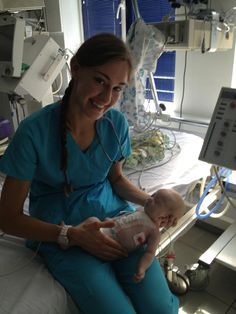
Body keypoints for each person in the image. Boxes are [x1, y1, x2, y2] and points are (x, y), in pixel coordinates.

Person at [0, 33, 180, 314]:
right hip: (62, 235)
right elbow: (7, 218)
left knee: (161, 308)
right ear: (76, 68)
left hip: (119, 222)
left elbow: (117, 179)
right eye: (100, 81)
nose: (107, 99)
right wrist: (71, 234)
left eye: (118, 88)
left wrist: (153, 204)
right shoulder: (34, 133)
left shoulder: (115, 125)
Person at [101, 188, 184, 283]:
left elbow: (149, 253)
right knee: (93, 221)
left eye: (155, 200)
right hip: (106, 231)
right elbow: (124, 218)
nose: (149, 198)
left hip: (113, 248)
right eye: (153, 195)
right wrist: (112, 221)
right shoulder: (141, 210)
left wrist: (142, 268)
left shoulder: (154, 233)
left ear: (164, 217)